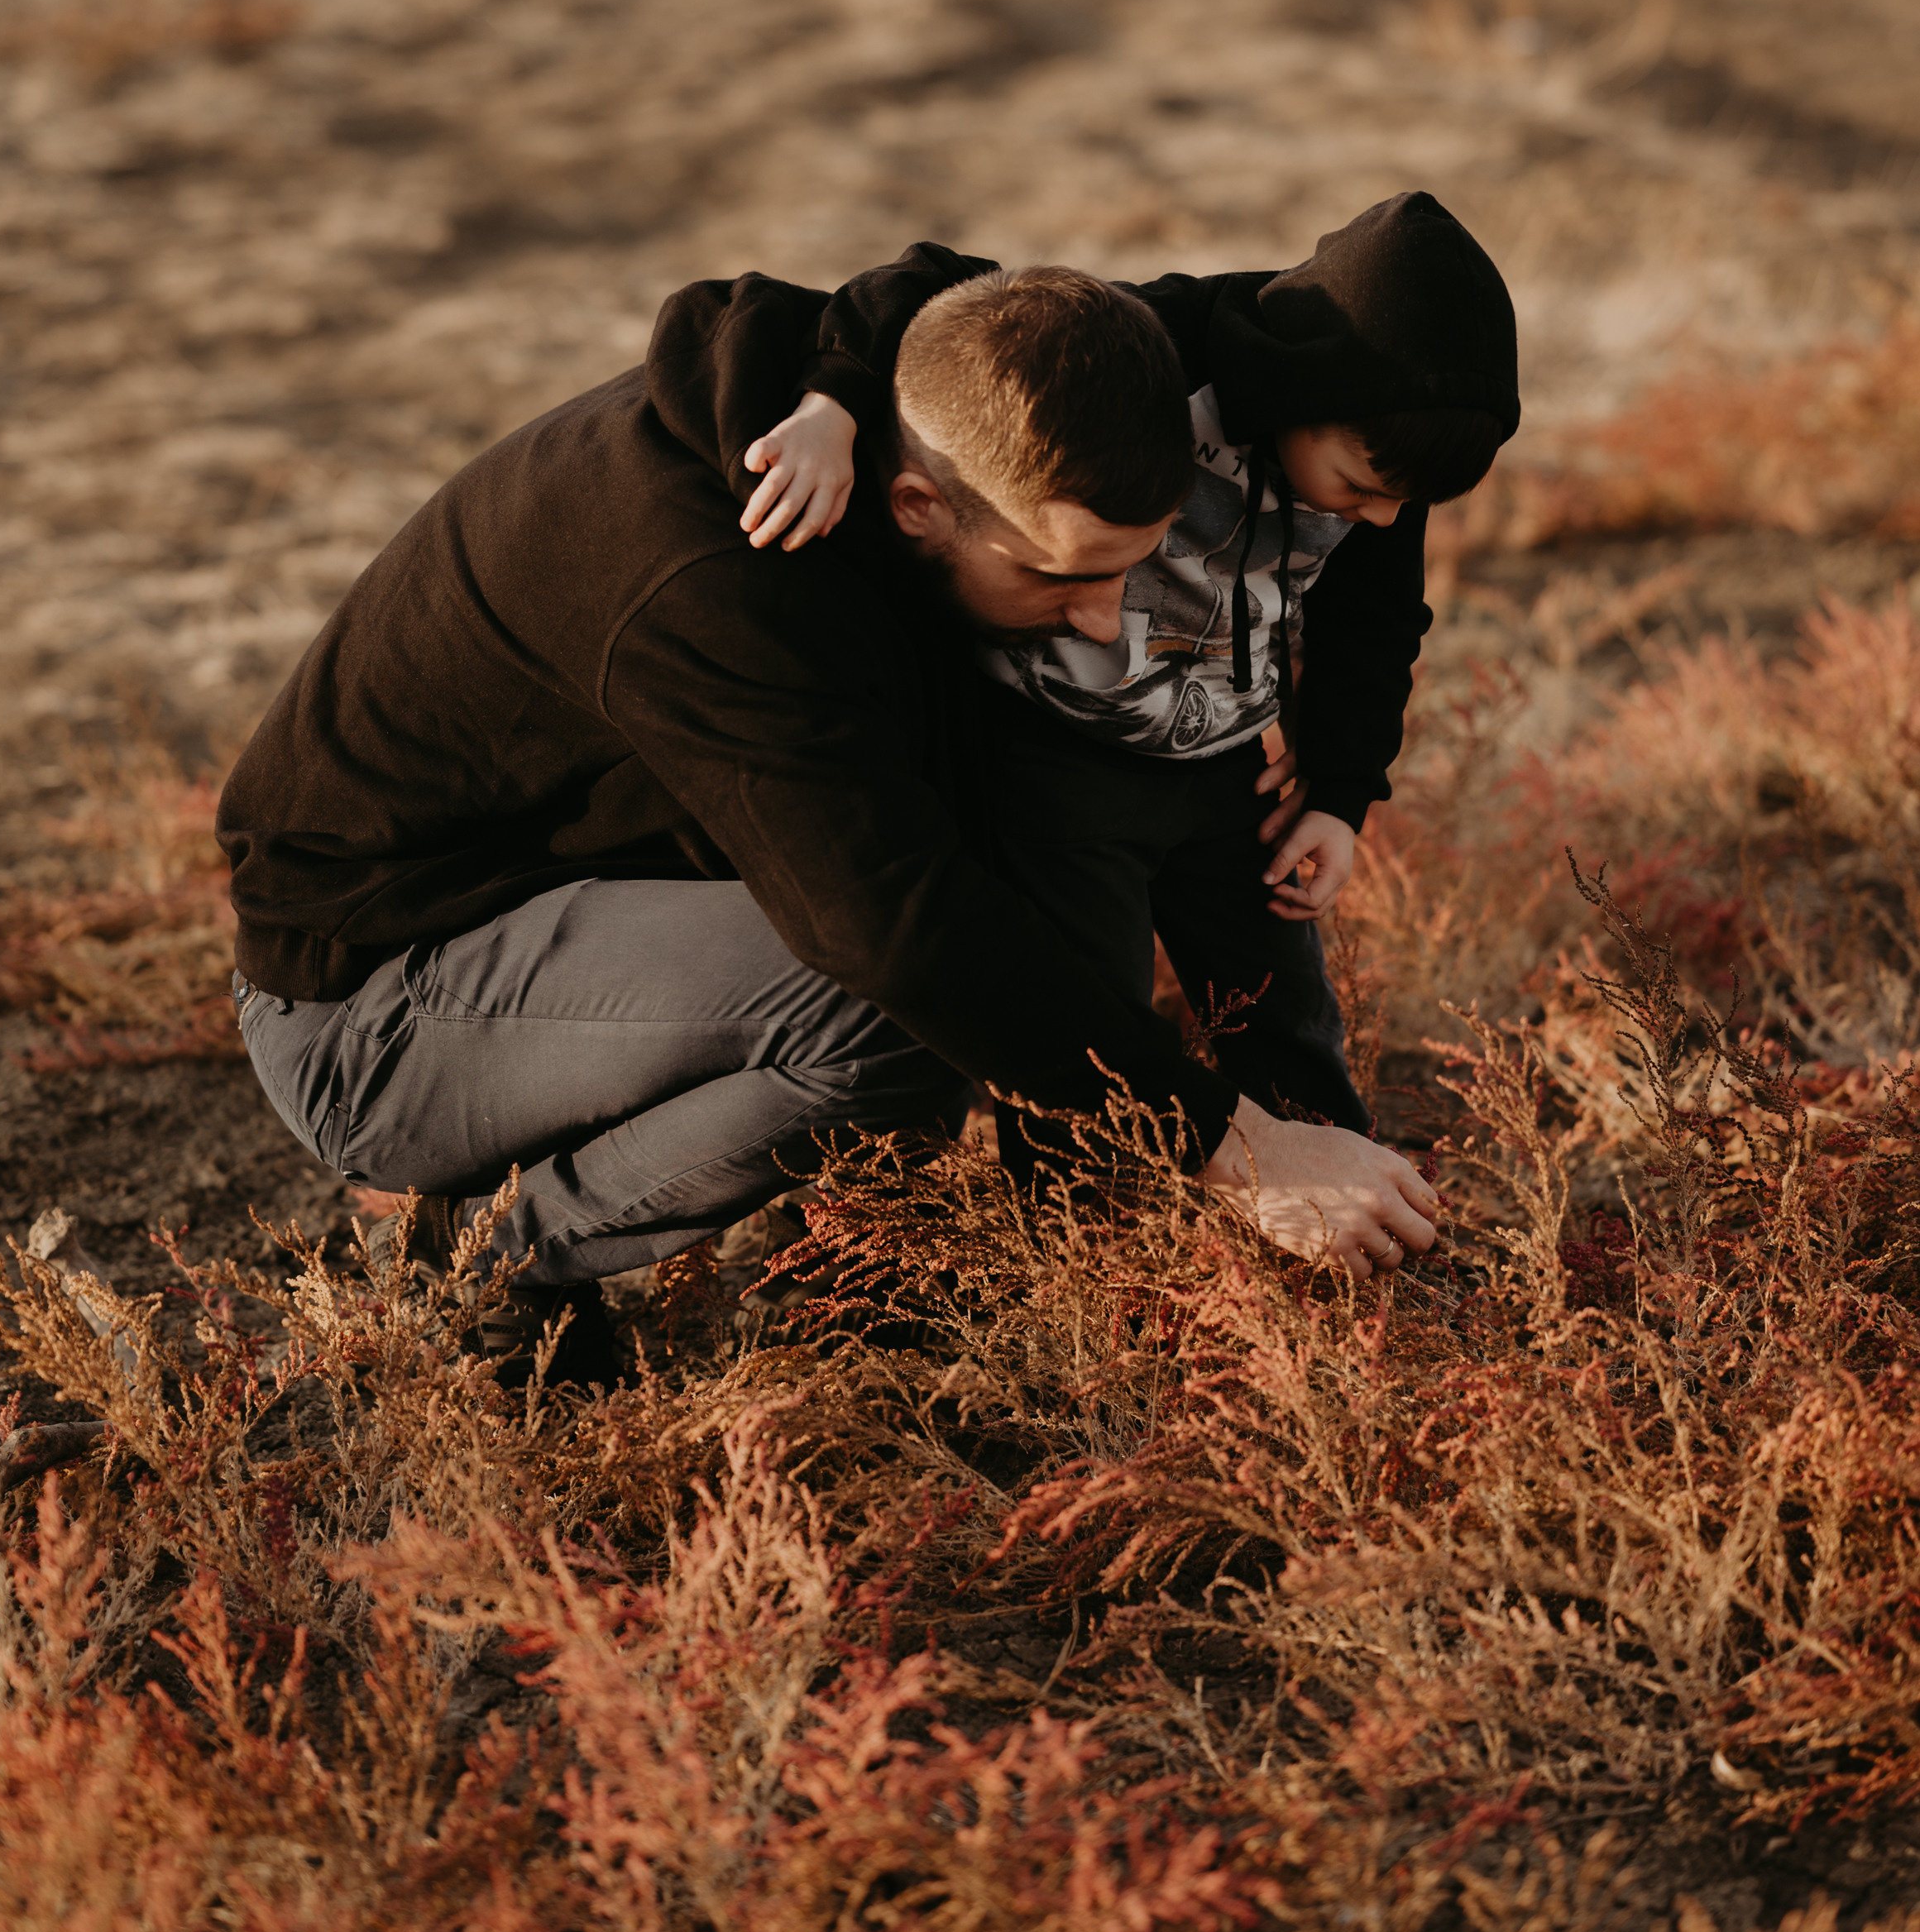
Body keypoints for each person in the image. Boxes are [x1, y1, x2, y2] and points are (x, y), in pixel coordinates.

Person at [217, 261, 1441, 1378]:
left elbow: (952, 290)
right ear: (916, 506)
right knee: (897, 1006)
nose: (1099, 624)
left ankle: (850, 1290)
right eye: (1064, 578)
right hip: (370, 1009)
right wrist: (1238, 1143)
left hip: (570, 916)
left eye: (1128, 570)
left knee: (965, 949)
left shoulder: (900, 403)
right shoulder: (726, 585)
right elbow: (896, 931)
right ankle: (488, 1251)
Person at [730, 194, 1520, 1139]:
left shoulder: (1393, 453)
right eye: (1360, 487)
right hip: (1057, 761)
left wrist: (1339, 793)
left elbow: (1378, 622)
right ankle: (1090, 1245)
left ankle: (1331, 1211)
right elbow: (921, 288)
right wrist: (833, 407)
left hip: (1233, 772)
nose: (1383, 518)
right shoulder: (1157, 346)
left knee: (1285, 1015)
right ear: (1307, 390)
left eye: (1404, 502)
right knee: (1095, 1021)